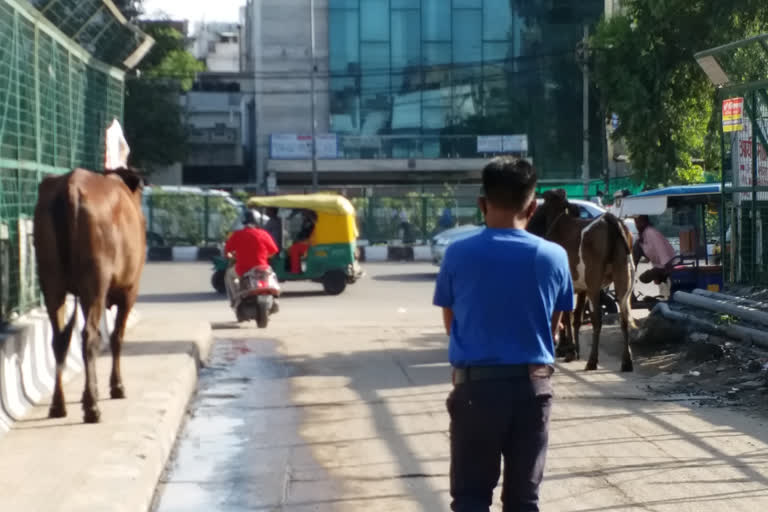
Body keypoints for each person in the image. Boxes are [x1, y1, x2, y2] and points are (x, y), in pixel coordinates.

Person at [433, 156, 574, 512]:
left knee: (470, 500)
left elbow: (452, 324)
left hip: (475, 392)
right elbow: (554, 327)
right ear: (533, 206)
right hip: (532, 390)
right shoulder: (554, 256)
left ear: (482, 203)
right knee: (524, 501)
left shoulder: (457, 255)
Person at [224, 209, 279, 307]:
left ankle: (235, 300)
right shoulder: (263, 233)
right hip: (262, 268)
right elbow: (274, 251)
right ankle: (274, 300)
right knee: (272, 275)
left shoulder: (237, 234)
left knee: (229, 275)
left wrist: (231, 256)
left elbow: (227, 252)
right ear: (256, 221)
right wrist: (263, 256)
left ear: (244, 222)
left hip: (243, 269)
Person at [632, 215, 677, 285]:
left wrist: (662, 271)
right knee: (637, 245)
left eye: (638, 222)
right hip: (659, 266)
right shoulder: (642, 235)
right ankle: (632, 271)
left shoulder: (651, 232)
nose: (636, 225)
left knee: (644, 277)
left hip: (667, 265)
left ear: (644, 222)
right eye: (636, 222)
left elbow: (661, 250)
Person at [288, 209, 317, 274]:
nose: (303, 214)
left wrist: (298, 240)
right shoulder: (308, 221)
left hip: (311, 243)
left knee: (294, 249)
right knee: (293, 246)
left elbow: (305, 234)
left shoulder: (310, 222)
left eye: (304, 212)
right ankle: (297, 269)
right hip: (308, 242)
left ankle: (295, 270)